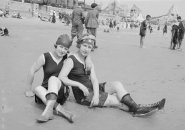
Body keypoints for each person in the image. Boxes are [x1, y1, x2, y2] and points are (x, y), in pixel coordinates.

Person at [58, 34, 166, 117]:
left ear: (92, 48)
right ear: (79, 45)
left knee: (117, 84)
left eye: (89, 47)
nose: (86, 49)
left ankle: (138, 108)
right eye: (84, 46)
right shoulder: (71, 60)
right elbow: (62, 77)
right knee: (117, 101)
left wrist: (96, 94)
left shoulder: (87, 59)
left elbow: (94, 79)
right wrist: (79, 85)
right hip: (83, 96)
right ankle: (138, 109)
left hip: (92, 88)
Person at [25, 34, 74, 123]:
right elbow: (32, 69)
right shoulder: (45, 57)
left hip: (61, 92)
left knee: (52, 78)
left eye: (65, 49)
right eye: (61, 47)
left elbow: (81, 56)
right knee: (37, 88)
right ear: (56, 45)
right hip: (45, 93)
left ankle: (48, 111)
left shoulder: (68, 58)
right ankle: (60, 110)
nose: (62, 50)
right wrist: (28, 88)